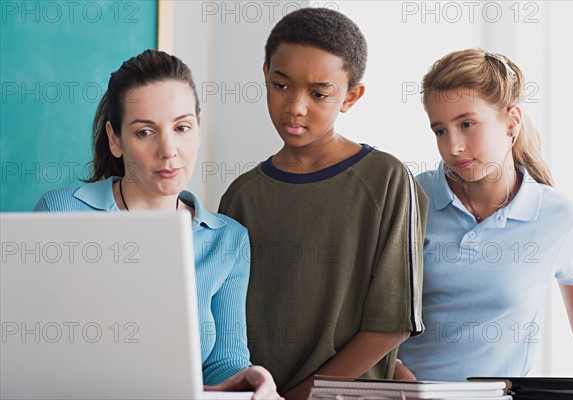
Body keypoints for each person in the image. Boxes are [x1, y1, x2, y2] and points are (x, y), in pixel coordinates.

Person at [34, 49, 281, 399]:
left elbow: (224, 361)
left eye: (182, 128)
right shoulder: (60, 213)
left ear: (198, 129)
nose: (169, 150)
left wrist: (250, 376)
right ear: (115, 139)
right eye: (146, 132)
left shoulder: (227, 239)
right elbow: (31, 345)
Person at [218, 8, 428, 400]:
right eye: (281, 86)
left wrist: (296, 398)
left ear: (350, 96)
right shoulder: (241, 196)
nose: (296, 107)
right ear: (265, 75)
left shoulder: (387, 180)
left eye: (318, 94)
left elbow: (392, 323)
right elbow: (225, 327)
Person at [396, 48, 573, 381]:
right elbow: (369, 304)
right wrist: (393, 370)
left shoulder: (558, 217)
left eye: (466, 123)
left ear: (512, 121)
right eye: (440, 130)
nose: (453, 146)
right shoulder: (412, 199)